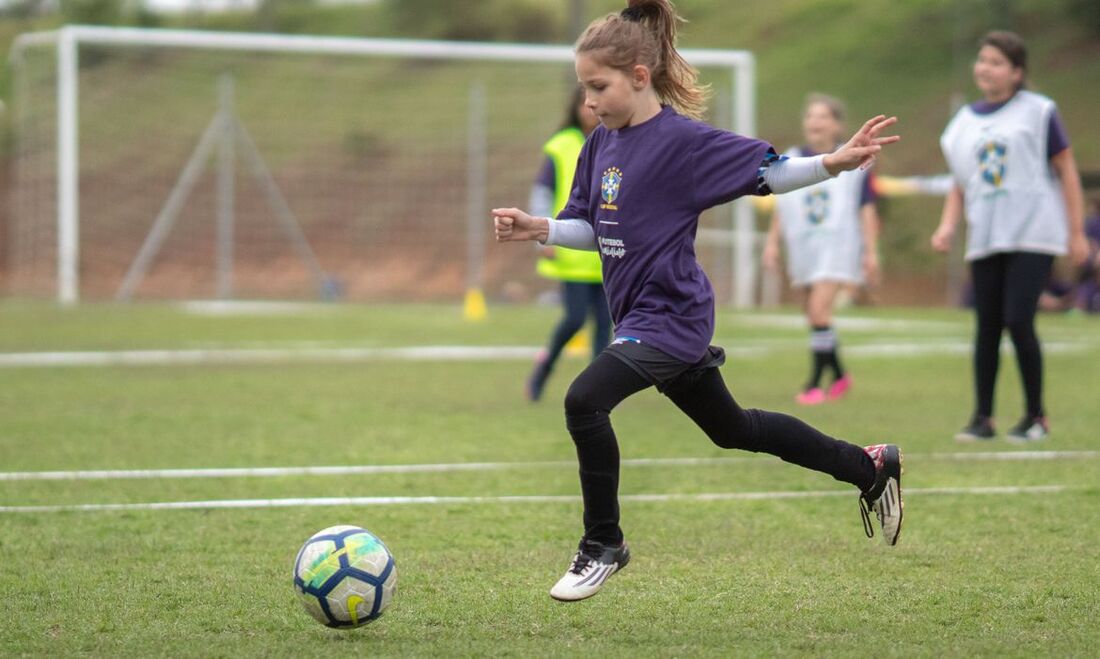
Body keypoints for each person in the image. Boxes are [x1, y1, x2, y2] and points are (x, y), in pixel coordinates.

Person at [492, 0, 903, 603]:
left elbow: (772, 173)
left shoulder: (683, 143)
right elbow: (590, 228)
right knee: (733, 430)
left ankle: (603, 543)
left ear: (639, 75)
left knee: (585, 400)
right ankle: (869, 468)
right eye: (584, 88)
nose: (589, 102)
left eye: (598, 86)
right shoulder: (598, 145)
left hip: (673, 316)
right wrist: (540, 227)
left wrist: (834, 164)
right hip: (639, 318)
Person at [931, 31, 1089, 443]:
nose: (986, 68)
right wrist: (948, 225)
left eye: (997, 62)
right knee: (987, 326)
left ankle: (1036, 417)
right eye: (982, 60)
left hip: (1034, 231)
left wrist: (1076, 232)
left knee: (1019, 319)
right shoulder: (962, 123)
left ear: (1017, 72)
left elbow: (1066, 169)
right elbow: (960, 183)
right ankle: (983, 418)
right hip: (986, 233)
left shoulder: (1038, 112)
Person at [763, 94, 881, 405]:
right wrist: (772, 244)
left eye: (823, 116)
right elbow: (782, 206)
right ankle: (841, 375)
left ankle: (814, 384)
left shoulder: (853, 159)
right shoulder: (791, 159)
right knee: (815, 316)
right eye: (810, 116)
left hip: (837, 248)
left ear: (837, 124)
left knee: (819, 311)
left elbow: (866, 210)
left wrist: (871, 252)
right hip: (803, 248)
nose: (815, 122)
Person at [527, 87, 611, 402]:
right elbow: (543, 193)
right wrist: (542, 233)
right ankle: (542, 371)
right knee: (575, 319)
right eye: (584, 103)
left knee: (605, 327)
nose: (590, 108)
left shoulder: (618, 142)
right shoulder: (561, 146)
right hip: (570, 253)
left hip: (606, 255)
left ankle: (597, 393)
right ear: (576, 107)